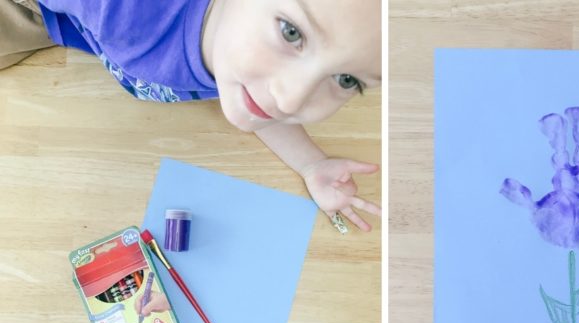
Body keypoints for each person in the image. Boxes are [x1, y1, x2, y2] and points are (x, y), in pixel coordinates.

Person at [0, 0, 382, 231]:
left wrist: (311, 164)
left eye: (346, 79)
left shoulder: (255, 67)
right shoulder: (127, 9)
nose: (291, 99)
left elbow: (264, 110)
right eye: (291, 32)